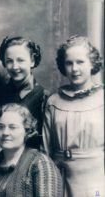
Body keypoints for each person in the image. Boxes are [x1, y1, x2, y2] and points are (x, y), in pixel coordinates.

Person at [43, 35, 104, 196]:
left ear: (92, 63)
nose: (74, 69)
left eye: (80, 62)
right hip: (59, 176)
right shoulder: (54, 101)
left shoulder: (102, 99)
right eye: (69, 63)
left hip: (95, 178)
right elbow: (45, 151)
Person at [0, 103, 62, 197]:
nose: (5, 132)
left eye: (12, 127)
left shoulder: (40, 164)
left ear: (27, 131)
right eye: (0, 127)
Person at [0, 36, 49, 149]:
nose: (15, 67)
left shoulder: (44, 97)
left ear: (32, 61)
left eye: (20, 60)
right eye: (9, 61)